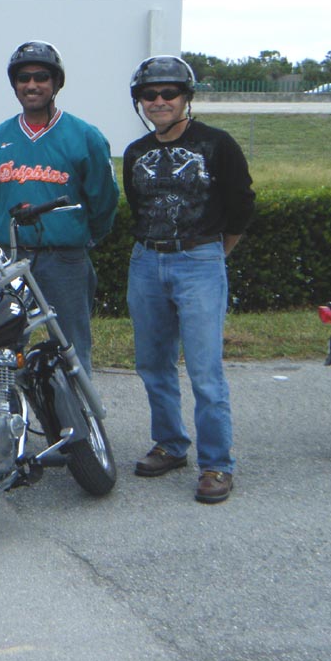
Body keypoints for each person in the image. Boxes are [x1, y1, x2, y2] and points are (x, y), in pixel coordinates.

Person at [124, 55, 255, 505]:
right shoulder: (136, 152)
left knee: (204, 371)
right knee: (152, 364)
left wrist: (214, 253)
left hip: (199, 259)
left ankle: (217, 464)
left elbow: (241, 205)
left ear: (186, 97)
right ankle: (170, 444)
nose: (159, 101)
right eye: (149, 94)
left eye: (169, 93)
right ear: (139, 101)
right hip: (146, 261)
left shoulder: (217, 144)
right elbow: (137, 207)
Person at [0, 41, 119, 377]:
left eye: (41, 77)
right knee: (2, 351)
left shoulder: (84, 135)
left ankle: (81, 412)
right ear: (14, 84)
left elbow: (103, 198)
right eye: (23, 78)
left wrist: (83, 236)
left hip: (64, 259)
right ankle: (10, 412)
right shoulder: (0, 137)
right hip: (11, 258)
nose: (32, 85)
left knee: (72, 348)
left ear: (56, 83)